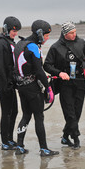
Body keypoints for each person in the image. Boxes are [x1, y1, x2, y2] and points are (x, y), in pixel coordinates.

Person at [43, 21, 85, 149]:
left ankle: (65, 136)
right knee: (70, 113)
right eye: (71, 33)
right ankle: (76, 138)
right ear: (65, 34)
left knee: (77, 112)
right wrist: (59, 73)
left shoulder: (81, 43)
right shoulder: (56, 47)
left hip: (80, 82)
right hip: (64, 84)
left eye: (75, 32)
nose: (74, 34)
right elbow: (47, 65)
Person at [13, 19, 59, 157]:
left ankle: (19, 146)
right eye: (46, 35)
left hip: (20, 87)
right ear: (39, 34)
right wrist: (48, 88)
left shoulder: (20, 43)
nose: (47, 38)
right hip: (32, 88)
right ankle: (44, 149)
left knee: (26, 115)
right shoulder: (33, 47)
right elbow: (39, 71)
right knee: (39, 117)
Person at [0, 16, 21, 150]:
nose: (15, 33)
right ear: (6, 29)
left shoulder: (9, 41)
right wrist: (6, 83)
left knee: (14, 111)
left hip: (11, 82)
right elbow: (0, 65)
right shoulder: (1, 43)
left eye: (17, 31)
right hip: (3, 83)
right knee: (6, 112)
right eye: (13, 31)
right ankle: (4, 141)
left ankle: (9, 138)